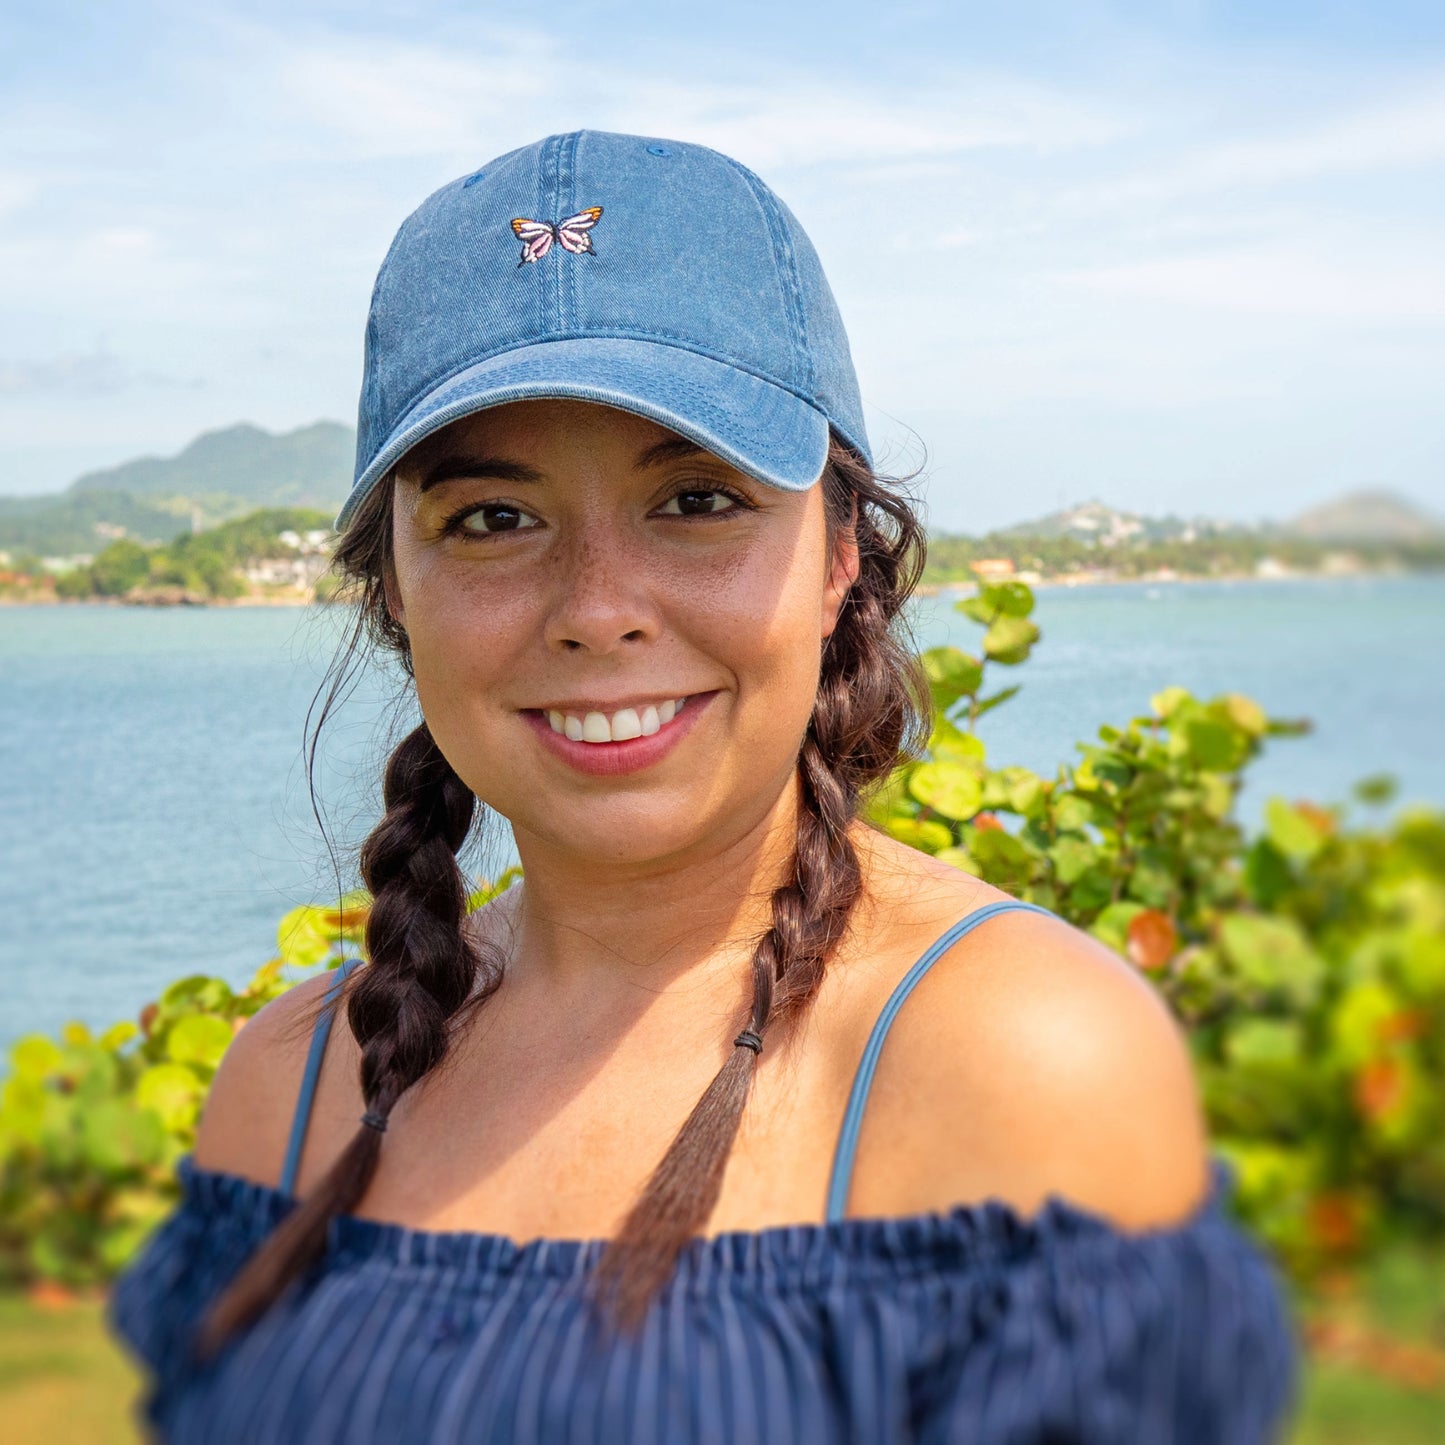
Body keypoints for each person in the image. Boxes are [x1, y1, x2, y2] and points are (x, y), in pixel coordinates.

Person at [110, 130, 1300, 1443]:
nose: (598, 610)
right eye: (493, 519)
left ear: (841, 549)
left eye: (695, 498)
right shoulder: (292, 1087)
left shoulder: (1018, 1064)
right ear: (396, 590)